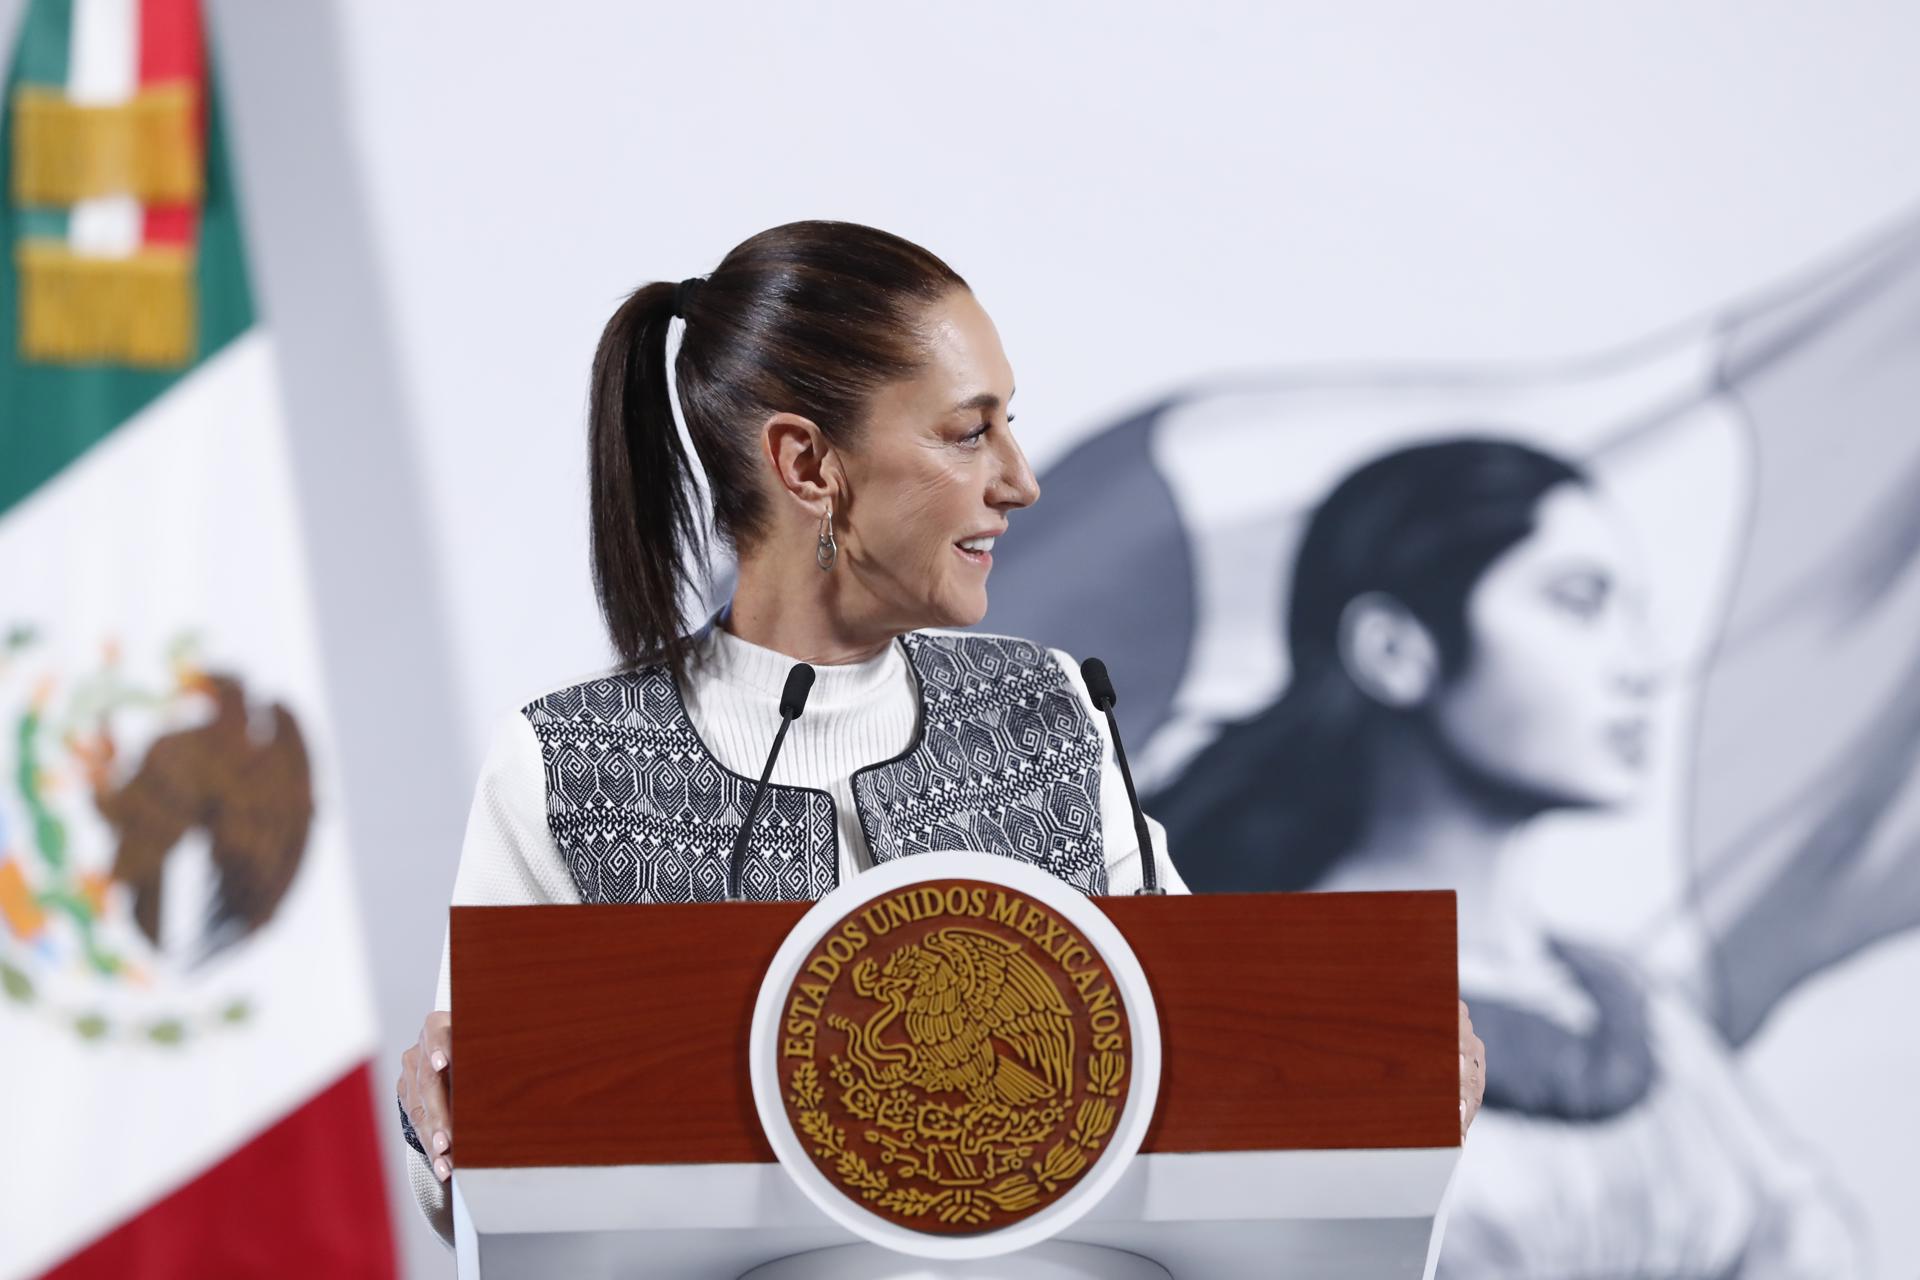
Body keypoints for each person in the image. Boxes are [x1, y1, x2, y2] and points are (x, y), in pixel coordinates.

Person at [393, 222, 1489, 1244]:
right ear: (810, 466)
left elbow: (1207, 1060)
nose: (1021, 478)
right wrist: (451, 1136)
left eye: (1008, 421)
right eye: (970, 432)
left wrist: (1389, 1054)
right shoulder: (568, 765)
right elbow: (492, 1190)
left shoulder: (1054, 711)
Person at [1157, 438, 1863, 1277]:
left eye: (1635, 612)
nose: (1639, 666)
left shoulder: (1643, 1013)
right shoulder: (1257, 1009)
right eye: (1578, 602)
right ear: (1395, 649)